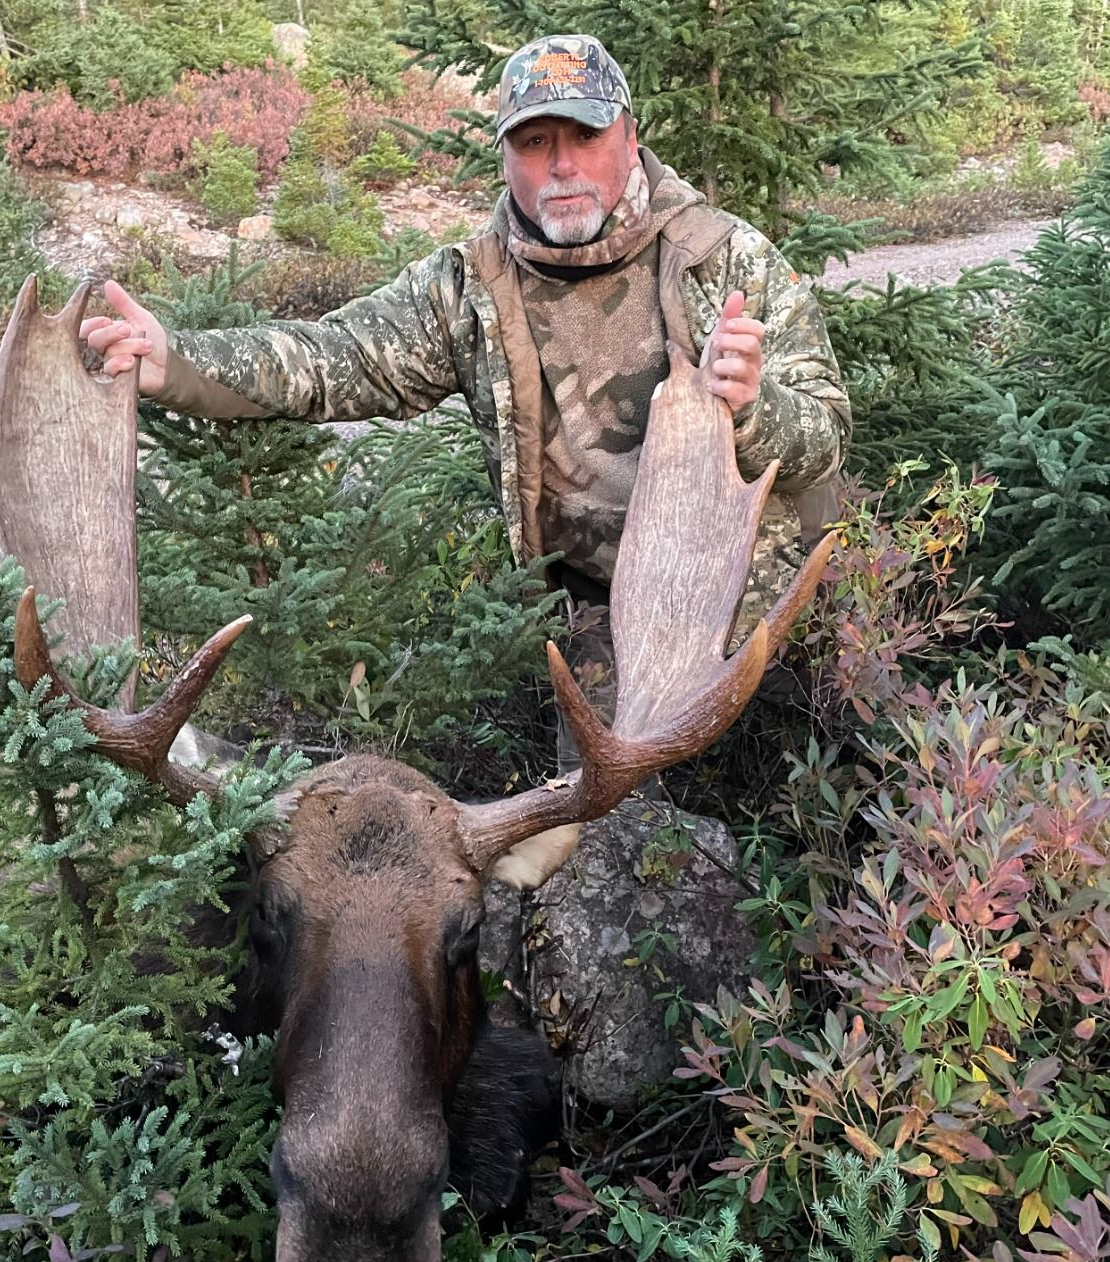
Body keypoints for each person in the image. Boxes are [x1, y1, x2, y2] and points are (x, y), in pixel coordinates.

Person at [82, 33, 850, 763]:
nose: (562, 165)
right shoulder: (469, 288)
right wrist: (176, 361)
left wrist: (753, 408)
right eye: (534, 142)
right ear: (506, 157)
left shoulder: (725, 258)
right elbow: (333, 357)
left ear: (628, 135)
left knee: (821, 815)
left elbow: (828, 433)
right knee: (610, 829)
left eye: (584, 136)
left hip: (766, 608)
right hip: (603, 628)